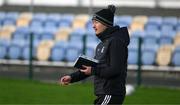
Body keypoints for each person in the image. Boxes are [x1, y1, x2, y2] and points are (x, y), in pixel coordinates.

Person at [59, 4, 130, 105]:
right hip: (105, 94)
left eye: (96, 22)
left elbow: (115, 70)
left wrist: (92, 70)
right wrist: (72, 77)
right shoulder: (103, 44)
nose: (93, 26)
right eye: (93, 22)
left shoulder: (116, 42)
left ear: (105, 24)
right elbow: (93, 67)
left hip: (110, 93)